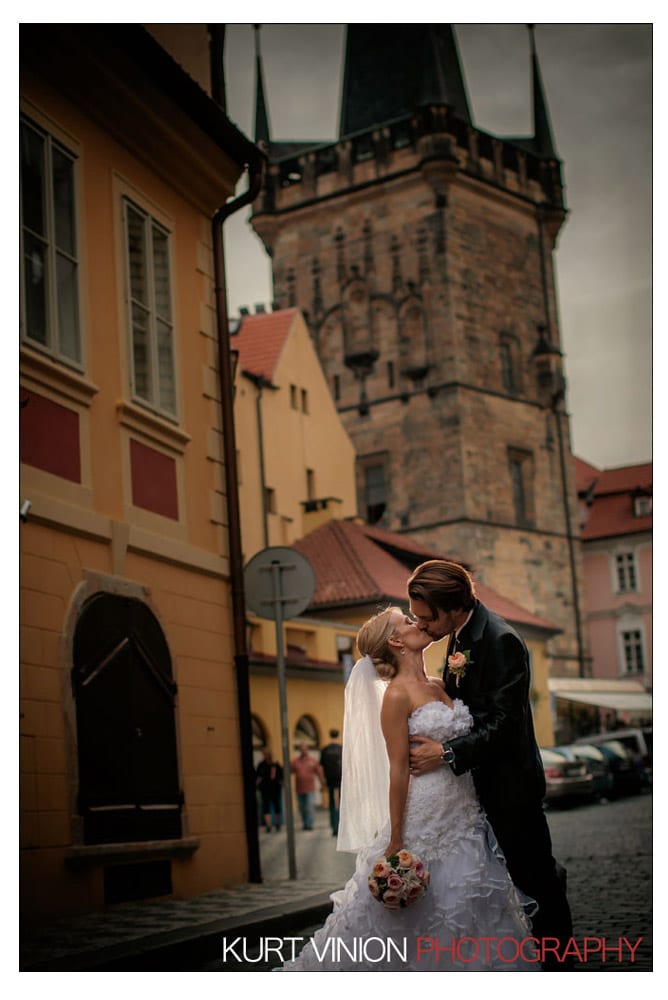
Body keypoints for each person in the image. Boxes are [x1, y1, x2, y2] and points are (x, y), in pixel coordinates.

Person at [278, 607, 538, 971]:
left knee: (471, 894)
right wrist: (397, 837)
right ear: (396, 641)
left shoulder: (442, 681)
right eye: (406, 621)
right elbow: (398, 769)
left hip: (464, 809)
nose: (417, 623)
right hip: (425, 811)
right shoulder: (396, 696)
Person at [407, 559, 574, 972]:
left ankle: (561, 971)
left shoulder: (501, 639)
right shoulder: (461, 634)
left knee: (537, 881)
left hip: (510, 787)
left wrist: (446, 753)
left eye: (426, 618)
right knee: (507, 885)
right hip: (476, 788)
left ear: (452, 607)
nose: (421, 625)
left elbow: (504, 723)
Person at [290, 743, 322, 831]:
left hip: (310, 788)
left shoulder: (313, 760)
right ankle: (305, 823)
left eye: (305, 749)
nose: (303, 751)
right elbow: (289, 771)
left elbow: (319, 773)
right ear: (300, 751)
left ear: (307, 750)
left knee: (309, 806)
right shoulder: (295, 761)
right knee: (302, 807)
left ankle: (309, 824)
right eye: (301, 749)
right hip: (299, 788)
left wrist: (323, 784)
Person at [319, 729, 342, 836]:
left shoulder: (325, 750)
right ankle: (342, 828)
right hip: (341, 780)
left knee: (332, 803)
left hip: (330, 780)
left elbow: (321, 766)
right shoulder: (342, 749)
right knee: (342, 804)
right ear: (338, 735)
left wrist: (323, 781)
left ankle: (334, 828)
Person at [255, 747, 283, 833]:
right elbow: (258, 777)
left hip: (275, 788)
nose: (264, 756)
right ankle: (268, 825)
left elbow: (281, 776)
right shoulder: (261, 765)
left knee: (276, 805)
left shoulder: (275, 764)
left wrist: (280, 783)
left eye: (265, 754)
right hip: (265, 789)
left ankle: (278, 824)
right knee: (266, 806)